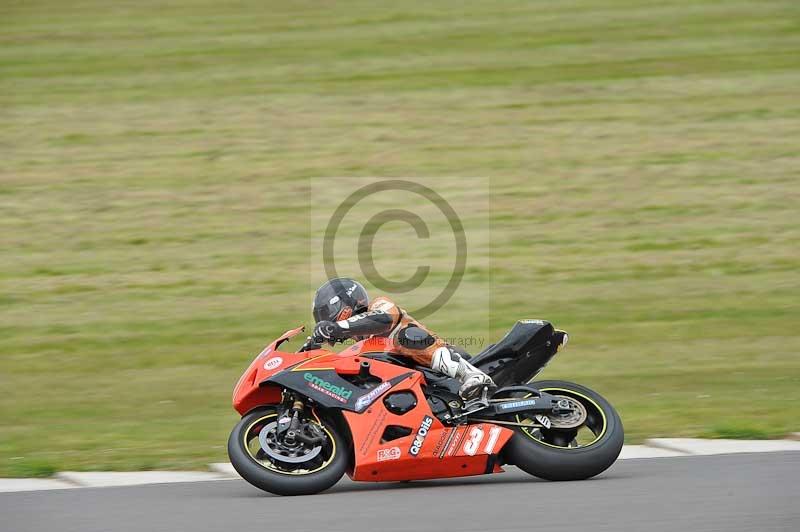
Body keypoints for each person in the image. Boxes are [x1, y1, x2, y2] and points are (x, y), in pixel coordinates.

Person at [311, 277, 495, 401]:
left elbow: (384, 318)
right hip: (422, 384)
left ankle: (471, 374)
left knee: (405, 337)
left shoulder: (379, 305)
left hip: (441, 363)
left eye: (326, 313)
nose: (326, 318)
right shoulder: (360, 345)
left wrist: (338, 327)